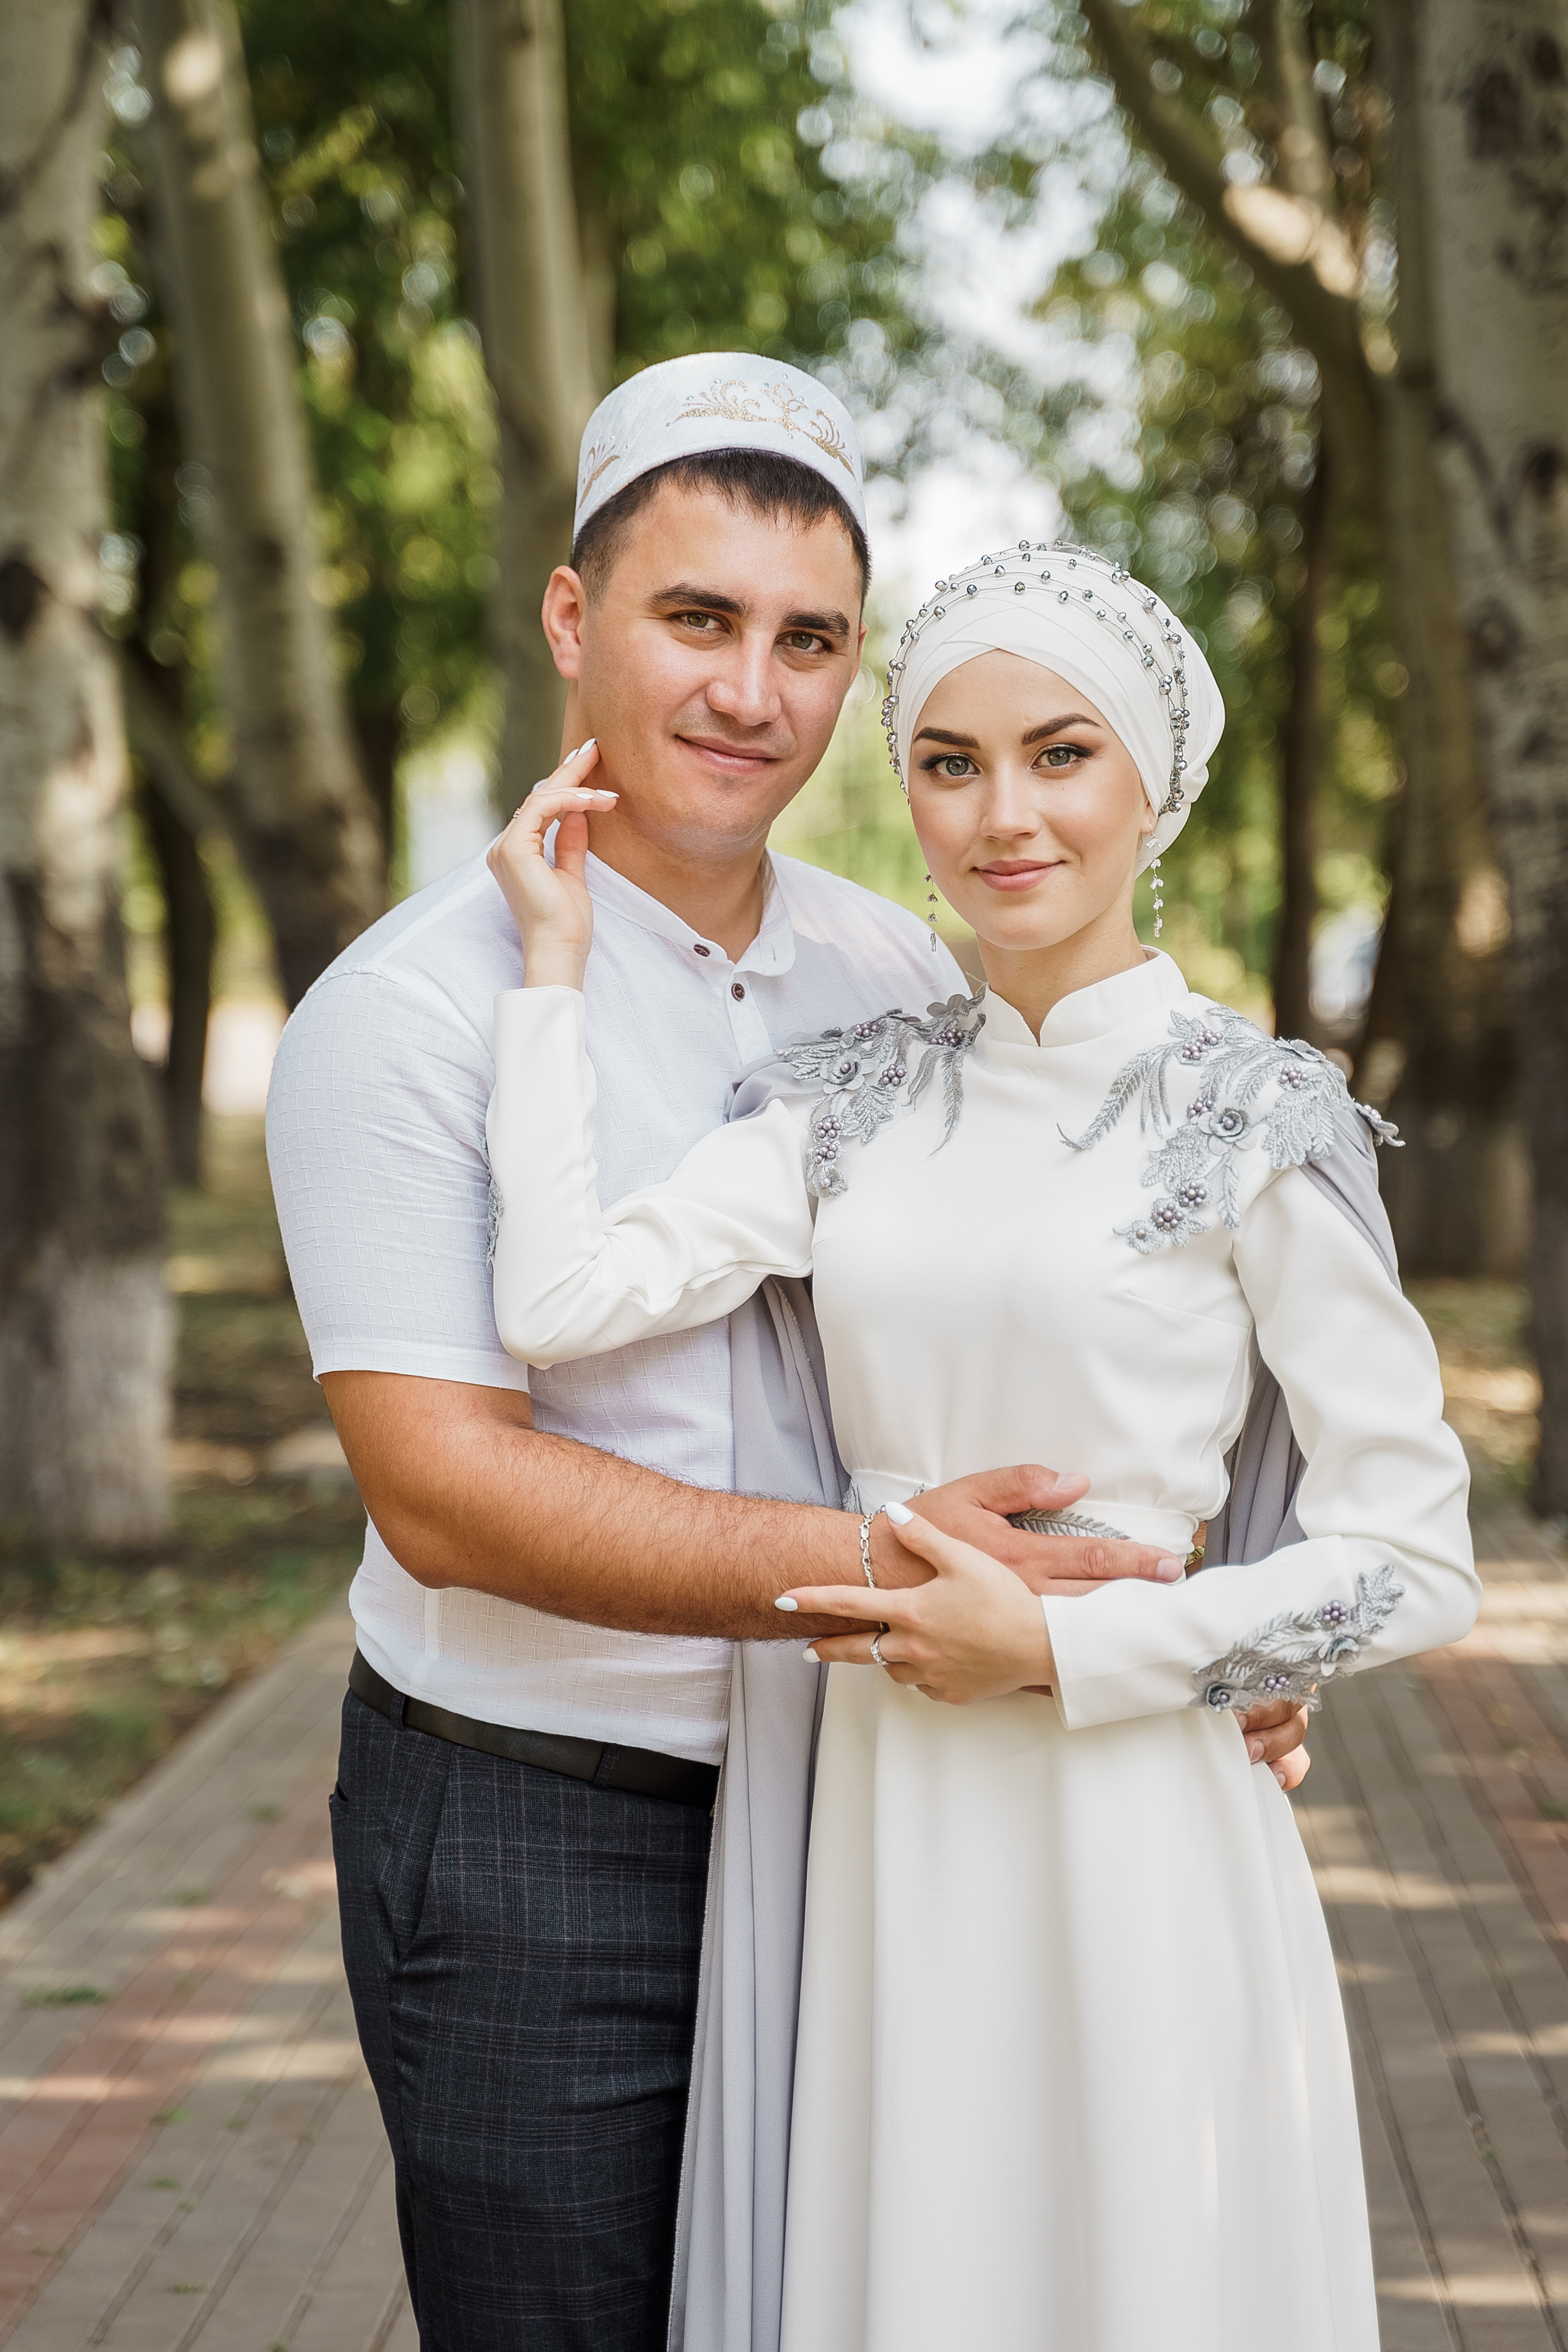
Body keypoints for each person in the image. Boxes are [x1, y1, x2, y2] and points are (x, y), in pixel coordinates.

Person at [265, 361, 1298, 2352]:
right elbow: (446, 1491)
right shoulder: (404, 1017)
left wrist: (1209, 1639)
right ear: (576, 625)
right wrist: (889, 1556)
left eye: (810, 639)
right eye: (697, 619)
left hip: (887, 1800)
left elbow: (1107, 1305)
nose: (754, 690)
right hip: (544, 1843)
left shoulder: (900, 968)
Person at [484, 539, 1480, 2351]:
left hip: (1138, 1823)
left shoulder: (1257, 1118)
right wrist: (551, 973)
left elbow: (1414, 1562)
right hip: (883, 1817)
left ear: (1156, 782)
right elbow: (557, 1297)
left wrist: (1070, 1644)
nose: (1000, 813)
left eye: (1059, 753)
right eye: (948, 761)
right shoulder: (854, 1097)